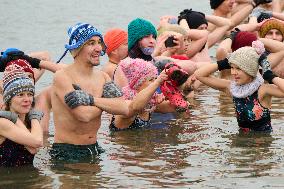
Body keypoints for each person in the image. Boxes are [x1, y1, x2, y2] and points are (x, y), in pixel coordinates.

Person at [50, 23, 129, 163]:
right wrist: (107, 104)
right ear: (77, 48)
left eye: (99, 43)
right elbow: (83, 115)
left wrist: (91, 100)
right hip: (67, 151)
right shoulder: (62, 77)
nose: (98, 48)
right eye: (91, 43)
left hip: (94, 148)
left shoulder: (103, 77)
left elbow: (123, 108)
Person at [195, 43, 284, 132]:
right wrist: (223, 63)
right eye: (232, 68)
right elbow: (199, 75)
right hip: (240, 141)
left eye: (238, 68)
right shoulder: (231, 88)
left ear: (250, 70)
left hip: (262, 142)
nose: (233, 72)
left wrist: (270, 76)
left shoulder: (262, 90)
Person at [110, 58, 182, 131]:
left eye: (155, 78)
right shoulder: (125, 103)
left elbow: (174, 107)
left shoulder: (150, 103)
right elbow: (136, 107)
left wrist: (170, 95)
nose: (155, 82)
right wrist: (157, 82)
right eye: (151, 80)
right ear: (137, 84)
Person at [0, 66, 43, 166]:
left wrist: (30, 117)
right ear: (9, 100)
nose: (27, 99)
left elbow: (33, 149)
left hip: (29, 180)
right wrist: (35, 117)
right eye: (20, 95)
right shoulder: (2, 122)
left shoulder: (29, 121)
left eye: (29, 94)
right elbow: (37, 142)